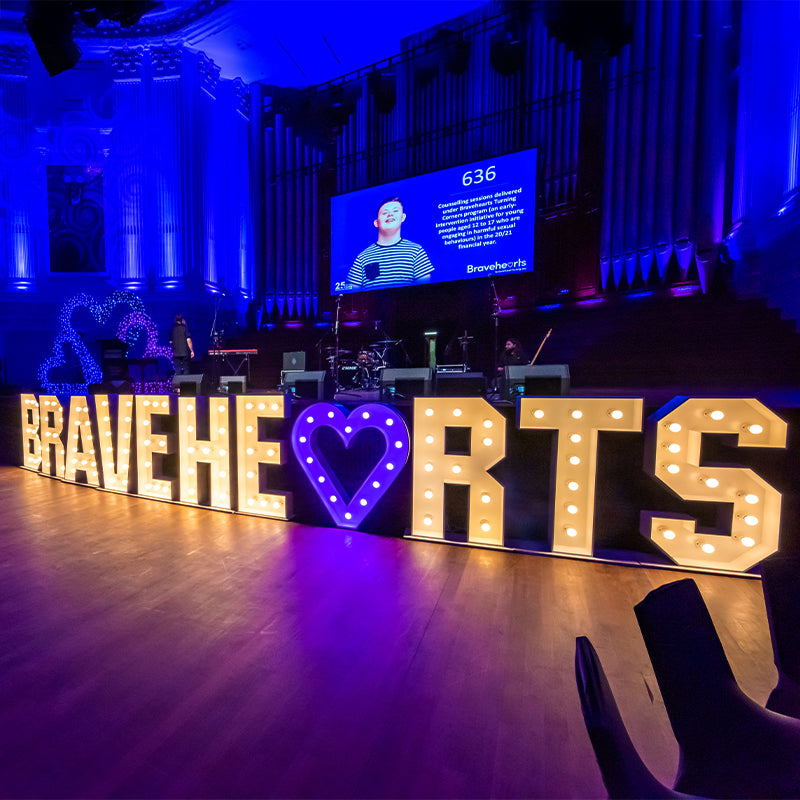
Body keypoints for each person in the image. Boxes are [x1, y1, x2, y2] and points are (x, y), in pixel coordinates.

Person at [347, 196, 434, 289]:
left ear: (403, 217)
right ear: (376, 222)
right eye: (385, 213)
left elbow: (424, 290)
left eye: (395, 211)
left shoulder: (416, 251)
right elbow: (352, 292)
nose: (390, 214)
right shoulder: (362, 257)